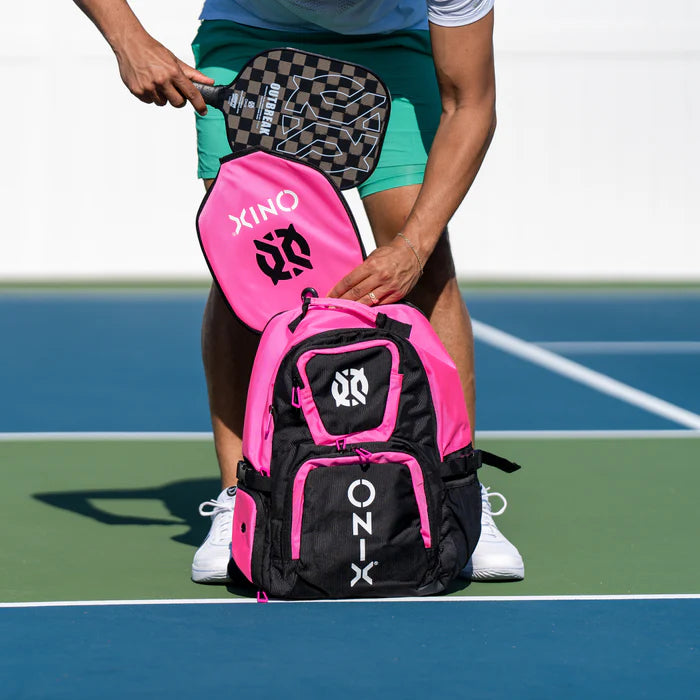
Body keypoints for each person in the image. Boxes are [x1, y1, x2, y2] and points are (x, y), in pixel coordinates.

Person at [73, 0, 524, 584]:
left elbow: (472, 103)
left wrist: (412, 245)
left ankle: (456, 492)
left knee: (427, 268)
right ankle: (243, 496)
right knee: (251, 271)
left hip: (392, 48)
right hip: (251, 38)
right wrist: (126, 36)